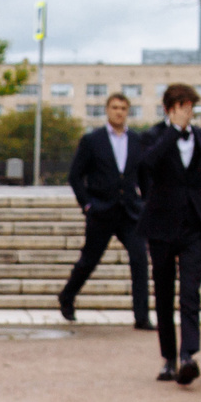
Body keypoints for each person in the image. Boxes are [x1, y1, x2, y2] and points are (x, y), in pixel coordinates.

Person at [129, 82, 201, 386]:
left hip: (193, 227)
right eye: (180, 106)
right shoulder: (152, 137)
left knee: (190, 293)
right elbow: (146, 166)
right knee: (164, 294)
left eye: (189, 105)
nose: (186, 111)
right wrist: (173, 132)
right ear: (168, 109)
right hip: (161, 226)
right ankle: (168, 358)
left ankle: (189, 355)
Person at [60, 91, 152, 327]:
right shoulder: (93, 141)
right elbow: (75, 176)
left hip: (130, 212)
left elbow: (144, 177)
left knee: (140, 259)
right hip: (101, 211)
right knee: (89, 260)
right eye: (114, 108)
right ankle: (67, 296)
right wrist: (87, 204)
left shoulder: (138, 141)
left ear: (127, 112)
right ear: (107, 110)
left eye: (123, 108)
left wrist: (147, 205)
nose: (119, 112)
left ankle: (142, 317)